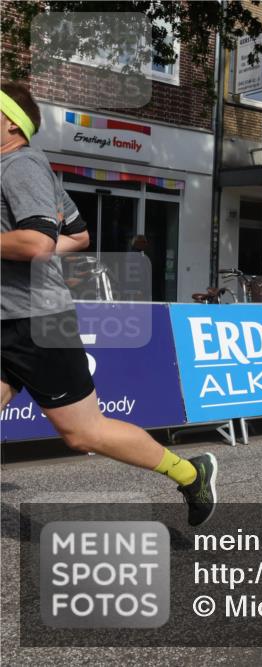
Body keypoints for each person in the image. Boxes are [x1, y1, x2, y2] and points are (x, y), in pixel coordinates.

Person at [0, 81, 216, 526]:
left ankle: (191, 473)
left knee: (83, 433)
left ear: (9, 123)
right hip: (8, 318)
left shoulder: (19, 166)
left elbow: (39, 240)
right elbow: (77, 234)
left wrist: (33, 254)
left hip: (36, 323)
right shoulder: (26, 169)